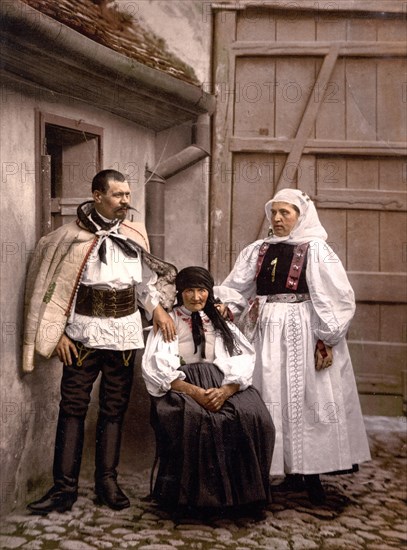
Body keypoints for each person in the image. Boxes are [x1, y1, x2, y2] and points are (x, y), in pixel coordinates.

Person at [24, 169, 177, 515]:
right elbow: (54, 289)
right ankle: (63, 489)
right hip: (81, 334)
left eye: (127, 194)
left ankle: (108, 483)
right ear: (97, 195)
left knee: (113, 409)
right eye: (119, 195)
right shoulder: (68, 238)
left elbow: (142, 286)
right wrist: (57, 333)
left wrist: (156, 311)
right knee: (73, 408)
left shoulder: (134, 234)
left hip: (123, 334)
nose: (126, 201)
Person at [216, 188, 371, 505]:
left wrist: (326, 335)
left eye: (285, 213)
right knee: (269, 394)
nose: (277, 218)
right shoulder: (257, 250)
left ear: (301, 216)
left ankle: (311, 475)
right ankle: (279, 472)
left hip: (303, 330)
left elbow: (339, 297)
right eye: (274, 212)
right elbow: (236, 287)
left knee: (306, 397)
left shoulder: (317, 250)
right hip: (264, 330)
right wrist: (225, 306)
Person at [142, 266, 275, 517]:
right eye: (189, 291)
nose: (195, 297)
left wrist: (226, 390)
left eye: (201, 290)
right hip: (181, 384)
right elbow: (156, 366)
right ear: (180, 293)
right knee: (198, 420)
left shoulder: (219, 322)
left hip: (221, 380)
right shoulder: (169, 322)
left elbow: (242, 357)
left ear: (209, 293)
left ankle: (244, 497)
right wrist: (195, 392)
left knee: (254, 415)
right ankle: (195, 501)